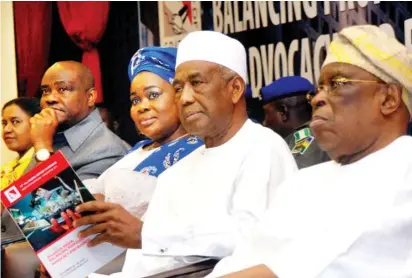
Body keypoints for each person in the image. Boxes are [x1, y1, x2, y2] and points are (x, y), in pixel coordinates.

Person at [78, 30, 297, 278]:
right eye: (179, 88)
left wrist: (145, 235)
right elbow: (144, 267)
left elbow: (250, 243)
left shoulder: (263, 147)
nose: (185, 98)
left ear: (235, 88)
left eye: (197, 83)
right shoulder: (178, 169)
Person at [208, 25, 412, 278]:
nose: (316, 99)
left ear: (388, 99)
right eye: (319, 89)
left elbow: (317, 266)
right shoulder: (303, 182)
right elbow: (245, 258)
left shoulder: (405, 168)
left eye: (337, 84)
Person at [29, 61, 129, 179]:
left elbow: (55, 197)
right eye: (46, 91)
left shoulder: (108, 150)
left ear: (90, 97)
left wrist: (43, 147)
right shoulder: (50, 135)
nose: (50, 98)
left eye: (62, 89)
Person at [261, 76, 330, 168]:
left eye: (267, 113)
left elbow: (297, 179)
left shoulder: (305, 138)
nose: (264, 122)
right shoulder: (317, 134)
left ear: (283, 112)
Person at [1, 97, 41, 190]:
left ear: (37, 123)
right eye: (4, 123)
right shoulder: (7, 168)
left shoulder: (43, 163)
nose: (7, 129)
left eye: (15, 122)